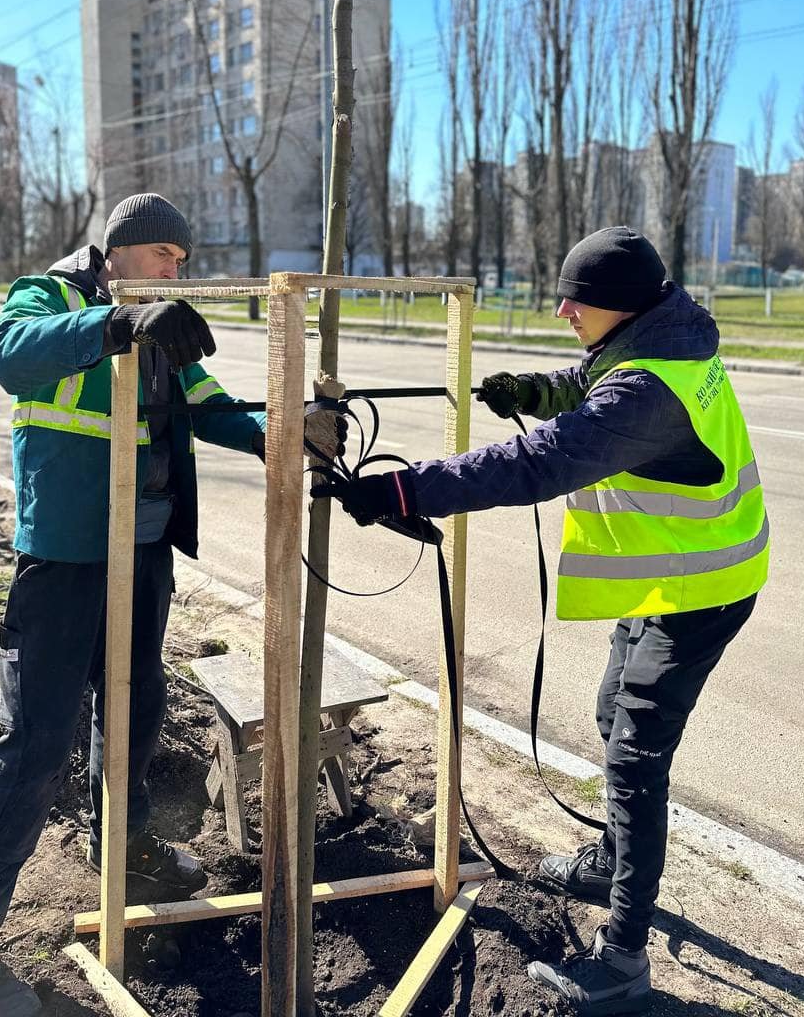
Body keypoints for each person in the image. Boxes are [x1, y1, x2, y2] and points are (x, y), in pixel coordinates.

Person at [314, 226, 768, 1015]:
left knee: (634, 760)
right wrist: (535, 388)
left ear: (620, 308)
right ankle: (609, 863)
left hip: (700, 590)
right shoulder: (661, 339)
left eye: (576, 301)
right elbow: (594, 383)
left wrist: (400, 492)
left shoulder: (649, 390)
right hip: (674, 577)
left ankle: (623, 959)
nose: (561, 309)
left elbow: (542, 462)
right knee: (609, 715)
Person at [0, 193, 344, 1017]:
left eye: (182, 263)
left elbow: (214, 406)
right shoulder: (51, 297)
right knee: (35, 739)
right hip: (67, 558)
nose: (173, 271)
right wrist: (118, 326)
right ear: (118, 251)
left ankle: (122, 843)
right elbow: (9, 355)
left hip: (144, 550)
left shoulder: (165, 325)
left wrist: (287, 427)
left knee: (135, 703)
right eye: (163, 256)